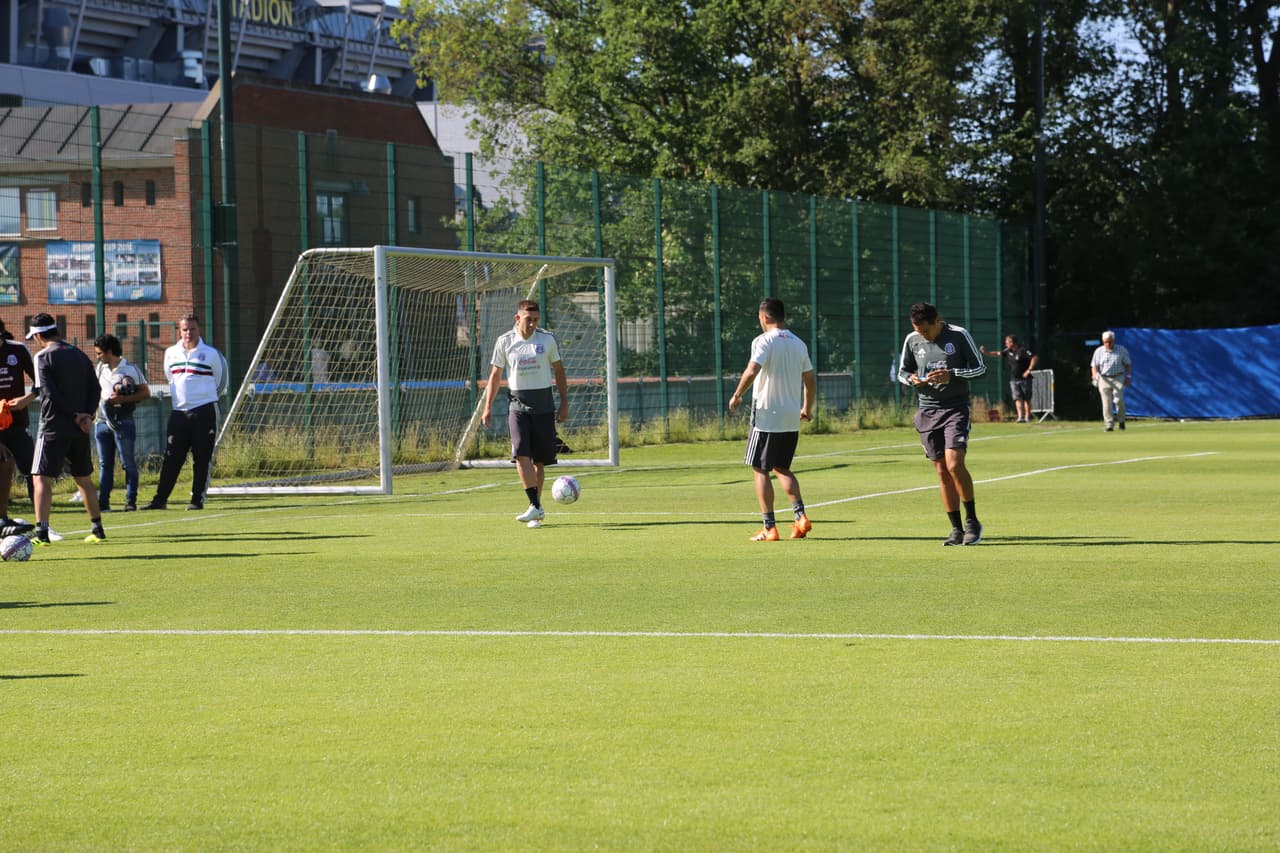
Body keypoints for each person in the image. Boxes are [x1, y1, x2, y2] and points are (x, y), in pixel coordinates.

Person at [898, 302, 987, 546]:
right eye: (918, 331)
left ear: (937, 321)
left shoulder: (959, 335)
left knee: (955, 464)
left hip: (955, 408)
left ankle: (972, 522)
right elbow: (902, 372)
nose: (923, 335)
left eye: (926, 330)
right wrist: (912, 379)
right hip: (927, 410)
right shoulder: (912, 340)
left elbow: (980, 368)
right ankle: (956, 529)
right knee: (941, 471)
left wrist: (953, 374)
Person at [728, 297, 817, 541]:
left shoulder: (763, 341)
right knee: (783, 467)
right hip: (790, 416)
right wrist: (806, 408)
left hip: (767, 415)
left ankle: (769, 527)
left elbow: (752, 370)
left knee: (760, 469)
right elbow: (809, 380)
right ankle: (800, 517)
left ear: (764, 317)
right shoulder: (798, 343)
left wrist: (737, 394)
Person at [481, 299, 568, 528]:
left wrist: (564, 403)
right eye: (528, 319)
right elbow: (495, 376)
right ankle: (533, 505)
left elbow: (559, 372)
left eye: (536, 320)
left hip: (544, 406)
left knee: (539, 462)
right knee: (520, 454)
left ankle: (536, 508)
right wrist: (487, 407)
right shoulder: (505, 341)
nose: (532, 324)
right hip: (517, 405)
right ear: (517, 318)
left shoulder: (547, 339)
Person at [26, 313, 105, 545]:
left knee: (40, 478)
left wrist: (74, 414)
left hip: (53, 427)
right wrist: (87, 415)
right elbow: (96, 389)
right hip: (80, 429)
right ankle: (97, 529)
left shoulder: (42, 356)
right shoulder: (80, 354)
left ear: (39, 335)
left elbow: (48, 392)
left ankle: (41, 533)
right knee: (83, 478)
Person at [141, 313, 228, 511]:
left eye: (192, 329)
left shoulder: (212, 354)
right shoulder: (170, 353)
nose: (188, 333)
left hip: (204, 412)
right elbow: (170, 378)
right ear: (179, 330)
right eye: (185, 329)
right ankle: (160, 500)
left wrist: (203, 398)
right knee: (172, 457)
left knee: (201, 457)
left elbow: (223, 383)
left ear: (199, 330)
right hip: (179, 412)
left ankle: (197, 499)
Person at [92, 334, 150, 512]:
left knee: (128, 463)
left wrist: (122, 400)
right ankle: (103, 503)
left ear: (110, 352)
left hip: (123, 420)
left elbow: (145, 393)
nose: (98, 356)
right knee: (104, 464)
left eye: (100, 353)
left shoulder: (130, 369)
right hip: (101, 422)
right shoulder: (100, 368)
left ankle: (130, 501)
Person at [0, 319, 37, 535]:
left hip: (17, 424)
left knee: (35, 471)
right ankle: (3, 519)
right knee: (4, 467)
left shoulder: (18, 350)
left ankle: (44, 525)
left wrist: (27, 398)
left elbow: (41, 381)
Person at [979, 334, 1038, 423]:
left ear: (1012, 342)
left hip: (1025, 379)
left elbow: (1034, 357)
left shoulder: (1022, 350)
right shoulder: (1008, 351)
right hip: (1014, 379)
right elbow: (997, 353)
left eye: (1007, 342)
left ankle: (1027, 417)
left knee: (1026, 398)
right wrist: (986, 352)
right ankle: (1020, 417)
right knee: (1017, 398)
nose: (1006, 344)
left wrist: (1028, 370)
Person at [1090, 330, 1132, 432]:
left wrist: (1128, 377)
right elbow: (1094, 365)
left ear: (1113, 340)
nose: (1108, 344)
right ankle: (1109, 425)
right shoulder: (1099, 351)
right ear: (1103, 341)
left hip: (1118, 377)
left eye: (1110, 341)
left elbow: (1128, 364)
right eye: (1105, 342)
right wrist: (1094, 376)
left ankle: (1121, 421)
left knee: (1118, 400)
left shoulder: (1121, 350)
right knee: (1106, 403)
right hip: (1104, 378)